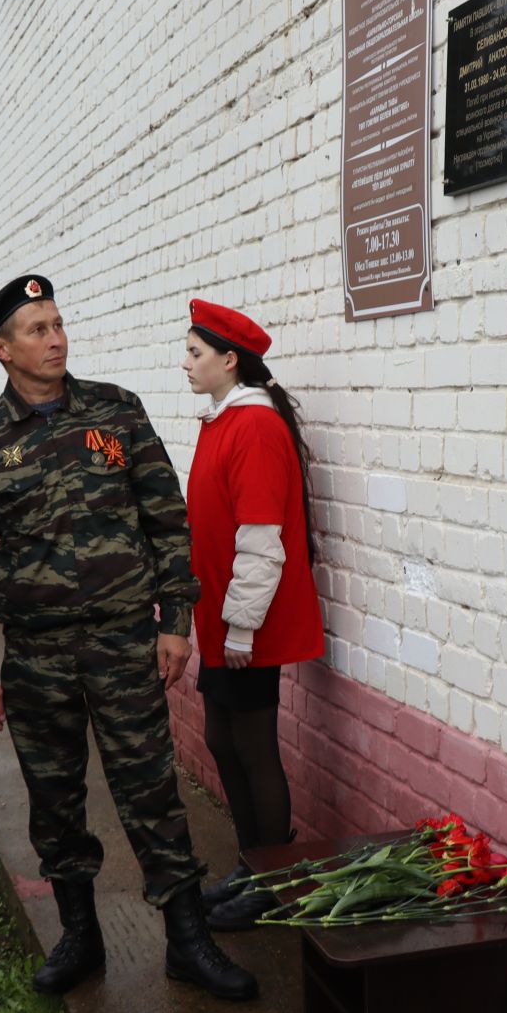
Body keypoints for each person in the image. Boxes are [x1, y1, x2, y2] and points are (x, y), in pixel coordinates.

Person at [0, 273, 257, 1001]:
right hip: (36, 653)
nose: (56, 339)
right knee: (54, 797)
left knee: (150, 791)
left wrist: (175, 622)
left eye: (58, 324)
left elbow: (166, 521)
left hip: (122, 642)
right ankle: (80, 935)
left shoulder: (117, 411)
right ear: (1, 350)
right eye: (37, 330)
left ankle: (187, 939)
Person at [177, 299, 324, 931]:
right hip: (221, 618)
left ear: (229, 360)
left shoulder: (255, 428)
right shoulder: (221, 421)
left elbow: (263, 538)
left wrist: (240, 625)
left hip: (246, 622)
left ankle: (276, 879)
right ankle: (252, 861)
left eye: (195, 352)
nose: (184, 363)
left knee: (254, 744)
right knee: (219, 737)